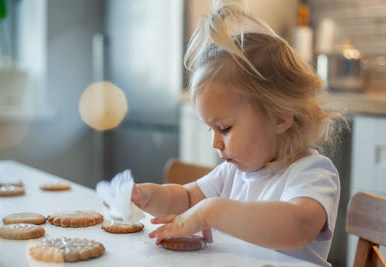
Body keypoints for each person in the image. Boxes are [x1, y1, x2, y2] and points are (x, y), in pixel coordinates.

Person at [131, 0, 346, 266]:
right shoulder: (232, 173)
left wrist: (213, 211)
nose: (214, 142)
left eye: (225, 128)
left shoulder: (312, 172)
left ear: (279, 117)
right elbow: (186, 199)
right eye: (210, 129)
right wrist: (150, 196)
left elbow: (298, 227)